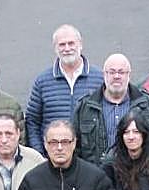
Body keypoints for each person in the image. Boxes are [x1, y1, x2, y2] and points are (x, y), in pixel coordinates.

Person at [25, 24, 105, 154]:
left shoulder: (99, 79)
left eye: (71, 43)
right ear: (55, 48)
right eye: (62, 44)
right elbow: (32, 121)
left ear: (80, 44)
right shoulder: (43, 81)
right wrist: (39, 154)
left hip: (89, 158)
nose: (67, 48)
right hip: (52, 157)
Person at [74, 53, 149, 166]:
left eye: (121, 72)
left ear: (129, 75)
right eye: (112, 72)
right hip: (97, 173)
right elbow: (75, 148)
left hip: (137, 172)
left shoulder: (147, 105)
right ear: (104, 74)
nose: (116, 76)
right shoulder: (85, 107)